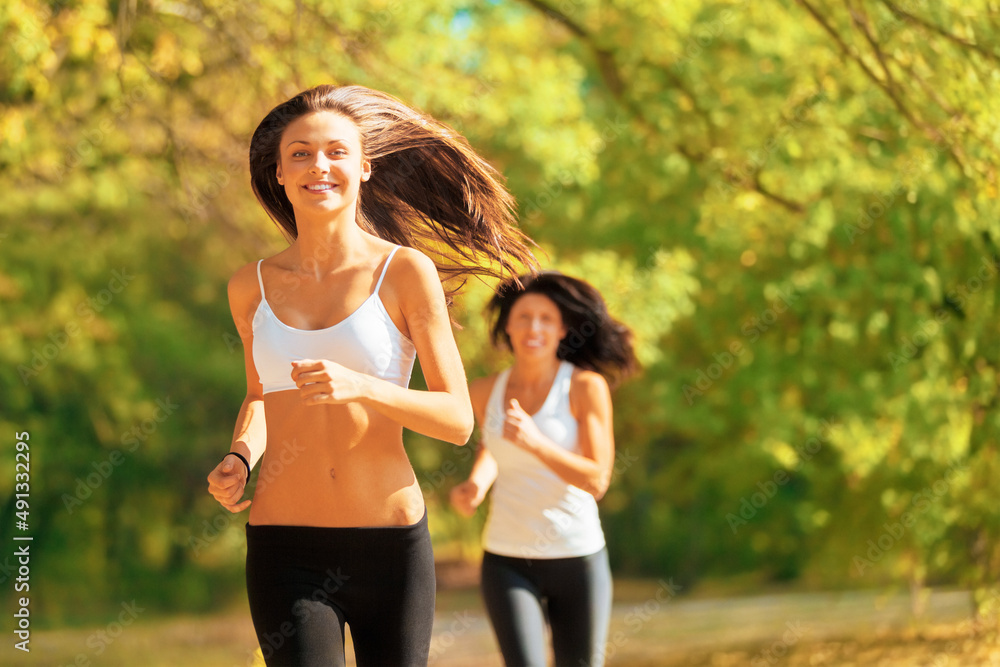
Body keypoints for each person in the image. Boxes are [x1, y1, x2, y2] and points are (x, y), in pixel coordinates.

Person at [206, 84, 536, 667]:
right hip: (285, 546)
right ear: (279, 174)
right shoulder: (249, 285)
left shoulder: (404, 272)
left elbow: (458, 420)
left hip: (390, 544)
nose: (319, 165)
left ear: (364, 167)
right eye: (301, 153)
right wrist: (239, 457)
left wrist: (362, 386)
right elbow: (261, 396)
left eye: (335, 151)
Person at [450, 272, 638, 667]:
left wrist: (536, 442)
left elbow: (597, 479)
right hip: (507, 559)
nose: (533, 328)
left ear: (563, 329)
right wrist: (476, 484)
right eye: (523, 317)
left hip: (577, 556)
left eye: (546, 319)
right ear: (507, 326)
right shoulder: (485, 391)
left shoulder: (585, 387)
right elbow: (492, 446)